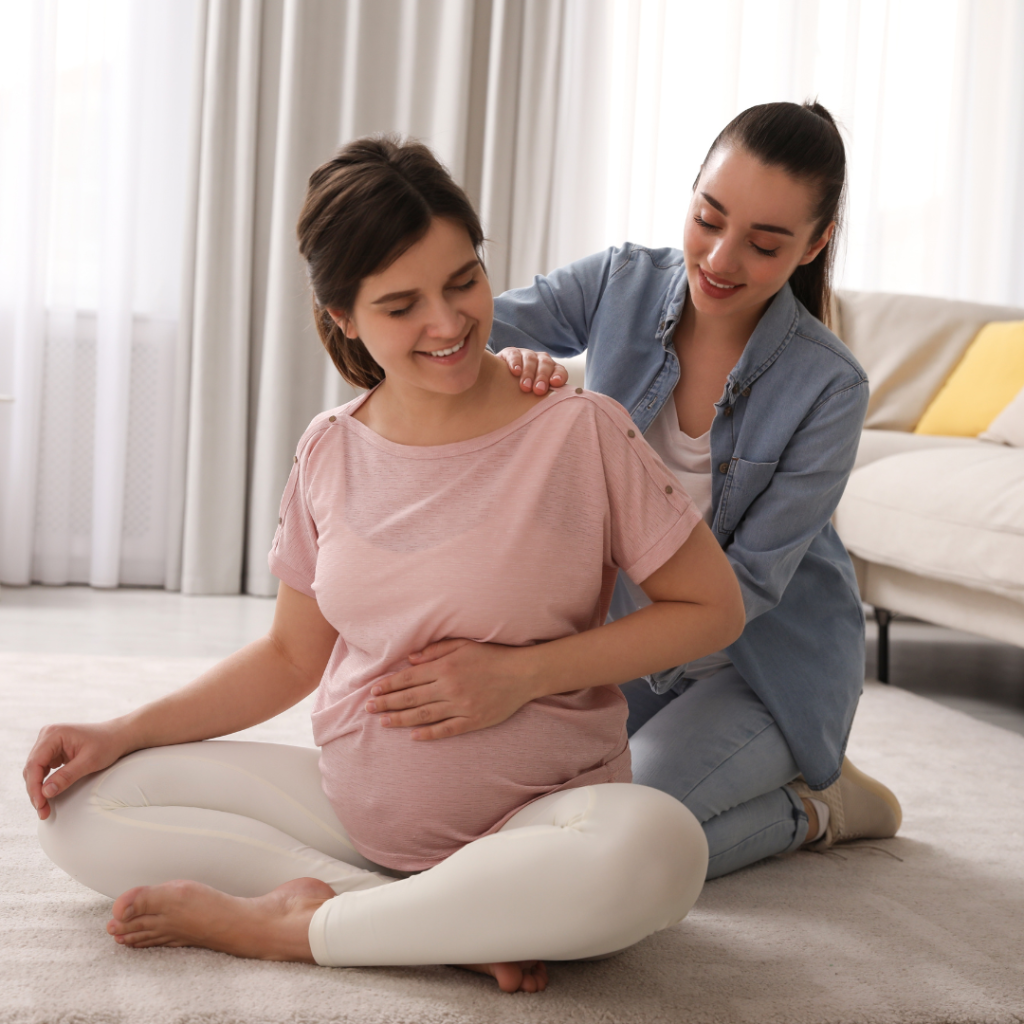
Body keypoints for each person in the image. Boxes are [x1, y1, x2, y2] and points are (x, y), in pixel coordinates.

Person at [22, 137, 746, 993]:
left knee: (660, 850)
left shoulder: (577, 430)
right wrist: (125, 730)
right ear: (342, 317)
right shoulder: (329, 449)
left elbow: (712, 610)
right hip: (352, 811)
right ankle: (422, 922)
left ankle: (305, 925)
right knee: (78, 810)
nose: (448, 323)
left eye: (463, 281)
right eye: (402, 305)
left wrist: (521, 675)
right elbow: (293, 656)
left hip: (544, 818)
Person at [359, 102, 902, 880]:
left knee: (612, 844)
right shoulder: (622, 281)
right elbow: (460, 335)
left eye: (765, 243)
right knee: (503, 816)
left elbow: (741, 594)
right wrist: (510, 367)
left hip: (758, 671)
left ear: (814, 245)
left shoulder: (830, 388)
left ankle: (814, 809)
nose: (719, 257)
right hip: (628, 653)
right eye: (708, 217)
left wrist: (536, 672)